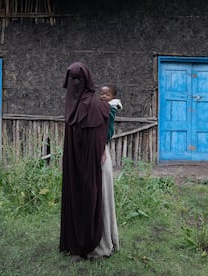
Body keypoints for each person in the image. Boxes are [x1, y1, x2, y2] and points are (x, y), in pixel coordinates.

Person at [59, 62, 110, 261]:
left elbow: (102, 131)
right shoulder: (70, 106)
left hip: (91, 163)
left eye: (79, 79)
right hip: (73, 164)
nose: (76, 84)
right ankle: (74, 244)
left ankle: (89, 244)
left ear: (87, 80)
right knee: (74, 197)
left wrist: (100, 153)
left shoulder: (97, 105)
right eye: (72, 80)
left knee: (90, 198)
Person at [87, 84, 122, 259]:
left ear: (113, 96)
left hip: (102, 149)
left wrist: (101, 147)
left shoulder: (111, 108)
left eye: (106, 94)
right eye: (101, 94)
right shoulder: (105, 106)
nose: (102, 96)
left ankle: (104, 240)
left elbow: (106, 132)